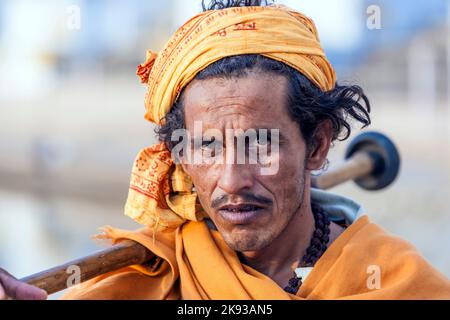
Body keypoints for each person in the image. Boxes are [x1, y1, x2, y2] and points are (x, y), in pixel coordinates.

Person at [1, 0, 449, 300]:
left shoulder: (400, 284)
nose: (232, 181)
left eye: (261, 145)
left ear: (317, 145)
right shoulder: (147, 281)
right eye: (207, 147)